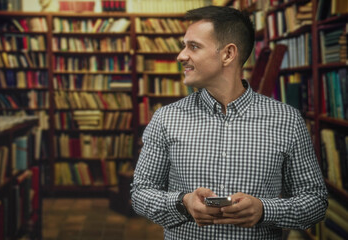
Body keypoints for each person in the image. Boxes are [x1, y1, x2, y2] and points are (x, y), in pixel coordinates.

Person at [130, 5, 328, 240]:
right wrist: (183, 203)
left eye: (193, 46)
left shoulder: (287, 120)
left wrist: (265, 210)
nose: (181, 56)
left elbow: (316, 201)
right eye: (184, 46)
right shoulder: (165, 118)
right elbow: (140, 194)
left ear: (228, 54)